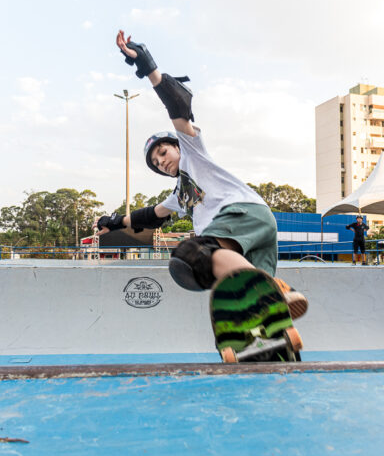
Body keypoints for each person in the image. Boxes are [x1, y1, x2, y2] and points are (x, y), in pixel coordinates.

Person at [94, 30, 307, 319]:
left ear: (176, 147)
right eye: (157, 163)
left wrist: (148, 67)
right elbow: (151, 215)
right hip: (248, 235)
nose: (162, 162)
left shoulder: (192, 151)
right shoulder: (180, 195)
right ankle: (272, 326)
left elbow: (178, 106)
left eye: (164, 153)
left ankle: (271, 290)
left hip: (241, 216)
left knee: (191, 254)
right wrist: (115, 222)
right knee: (211, 282)